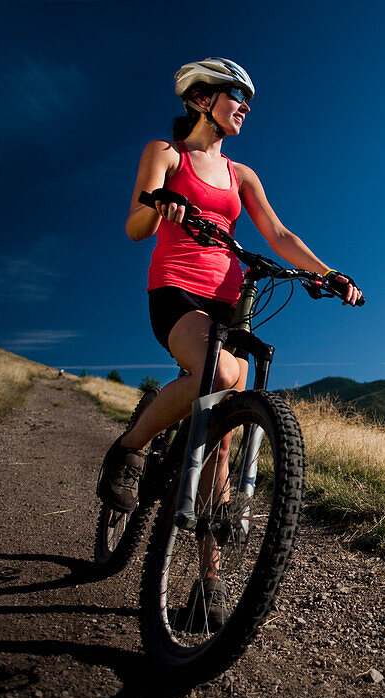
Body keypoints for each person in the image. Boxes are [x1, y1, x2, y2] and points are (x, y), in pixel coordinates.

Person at [97, 57, 362, 518]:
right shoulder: (167, 153)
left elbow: (278, 236)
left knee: (222, 435)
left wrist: (327, 273)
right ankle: (129, 447)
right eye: (237, 97)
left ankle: (211, 576)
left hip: (230, 300)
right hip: (176, 290)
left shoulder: (242, 176)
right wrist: (161, 204)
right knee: (216, 376)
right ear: (202, 99)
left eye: (248, 102)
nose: (245, 107)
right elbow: (135, 227)